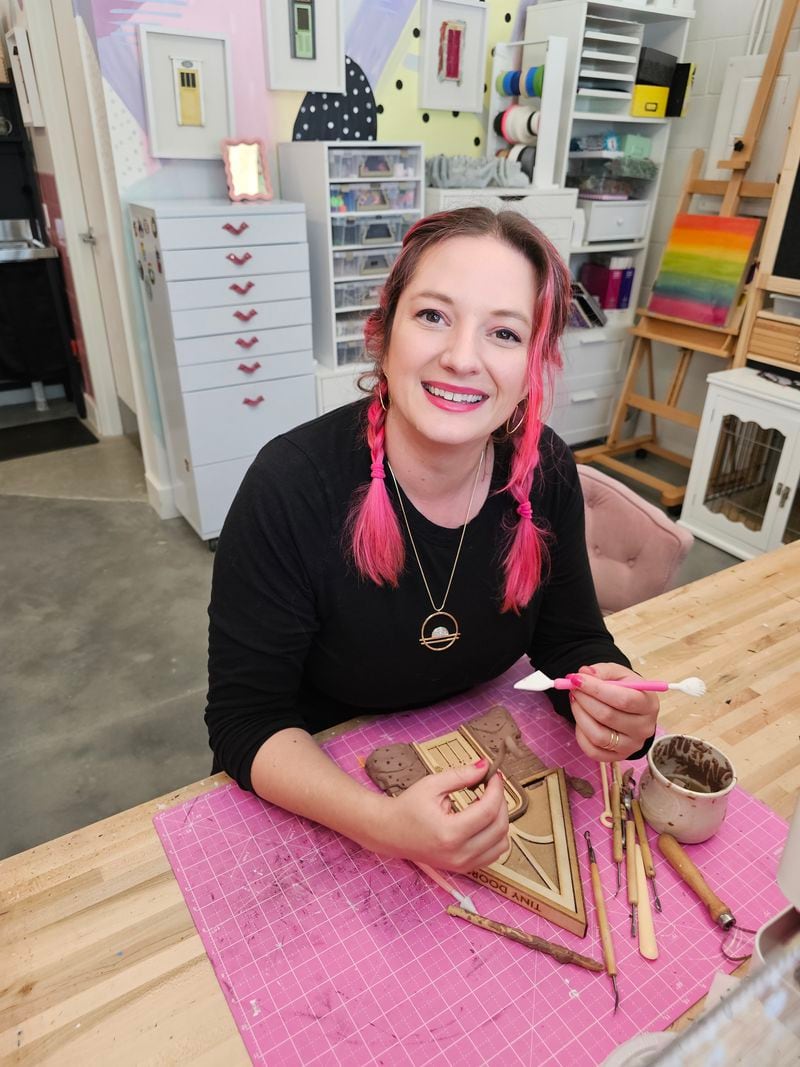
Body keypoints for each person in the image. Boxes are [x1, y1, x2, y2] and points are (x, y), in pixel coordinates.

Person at [205, 207, 659, 875]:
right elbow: (246, 721)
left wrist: (611, 695)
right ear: (383, 332)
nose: (462, 357)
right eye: (433, 316)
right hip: (328, 777)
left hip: (479, 746)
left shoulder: (546, 470)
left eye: (503, 332)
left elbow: (571, 642)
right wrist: (382, 826)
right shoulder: (289, 487)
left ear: (533, 364)